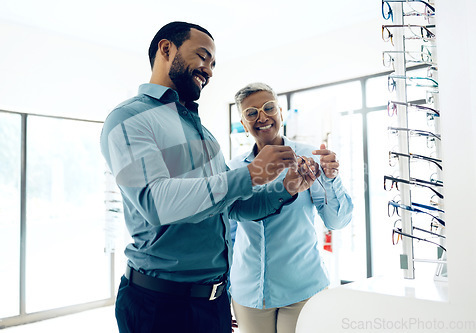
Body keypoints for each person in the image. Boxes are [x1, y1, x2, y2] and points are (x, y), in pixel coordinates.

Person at [100, 22, 318, 333]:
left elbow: (234, 206)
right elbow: (154, 202)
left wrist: (285, 188)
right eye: (203, 57)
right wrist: (253, 173)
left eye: (213, 64)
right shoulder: (129, 119)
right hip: (159, 305)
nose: (210, 71)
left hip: (212, 302)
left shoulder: (205, 135)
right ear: (166, 49)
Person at [229, 82, 354, 333]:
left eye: (269, 108)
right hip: (248, 293)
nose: (262, 117)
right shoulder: (234, 169)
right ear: (243, 124)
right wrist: (226, 290)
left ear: (281, 113)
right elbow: (229, 235)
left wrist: (331, 179)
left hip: (302, 289)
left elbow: (336, 222)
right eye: (251, 113)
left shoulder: (309, 159)